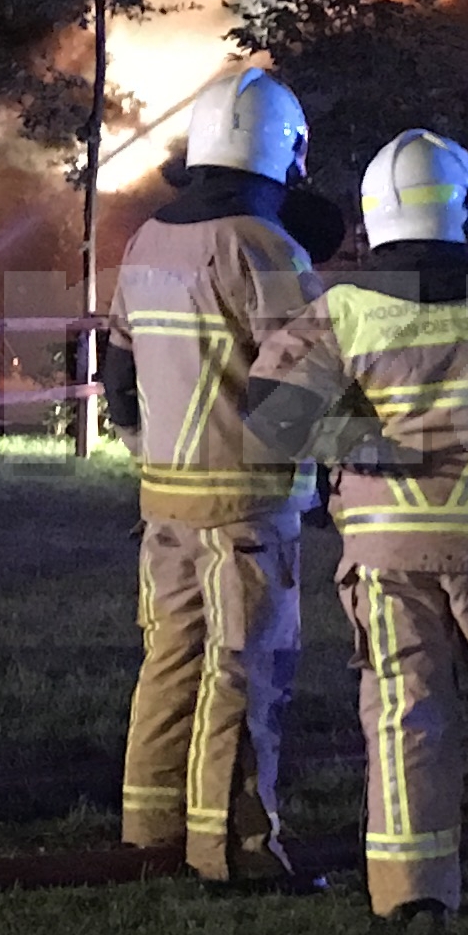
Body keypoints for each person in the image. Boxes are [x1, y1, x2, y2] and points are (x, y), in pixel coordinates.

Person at [245, 129, 468, 928]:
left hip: (385, 555)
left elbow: (272, 411)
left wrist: (362, 447)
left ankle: (412, 897)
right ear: (466, 209)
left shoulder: (340, 309)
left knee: (405, 714)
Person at [99, 66, 320, 886]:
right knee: (244, 668)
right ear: (286, 153)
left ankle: (150, 830)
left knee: (170, 660)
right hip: (247, 503)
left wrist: (143, 449)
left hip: (163, 499)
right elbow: (301, 383)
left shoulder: (147, 238)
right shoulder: (265, 246)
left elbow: (118, 371)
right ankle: (232, 848)